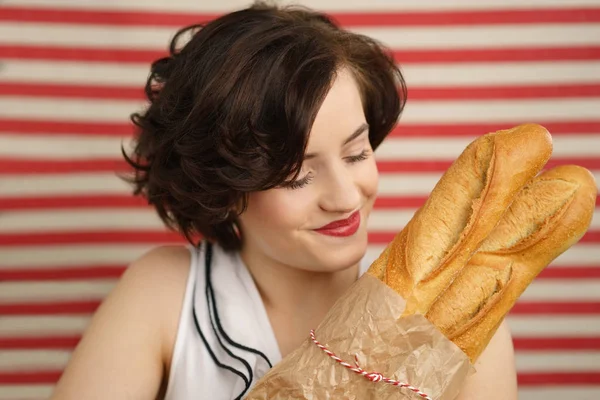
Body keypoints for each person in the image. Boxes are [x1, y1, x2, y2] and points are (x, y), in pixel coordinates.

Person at [50, 2, 517, 399]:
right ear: (223, 189)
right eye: (297, 177)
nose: (344, 196)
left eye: (357, 153)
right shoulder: (165, 293)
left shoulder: (458, 314)